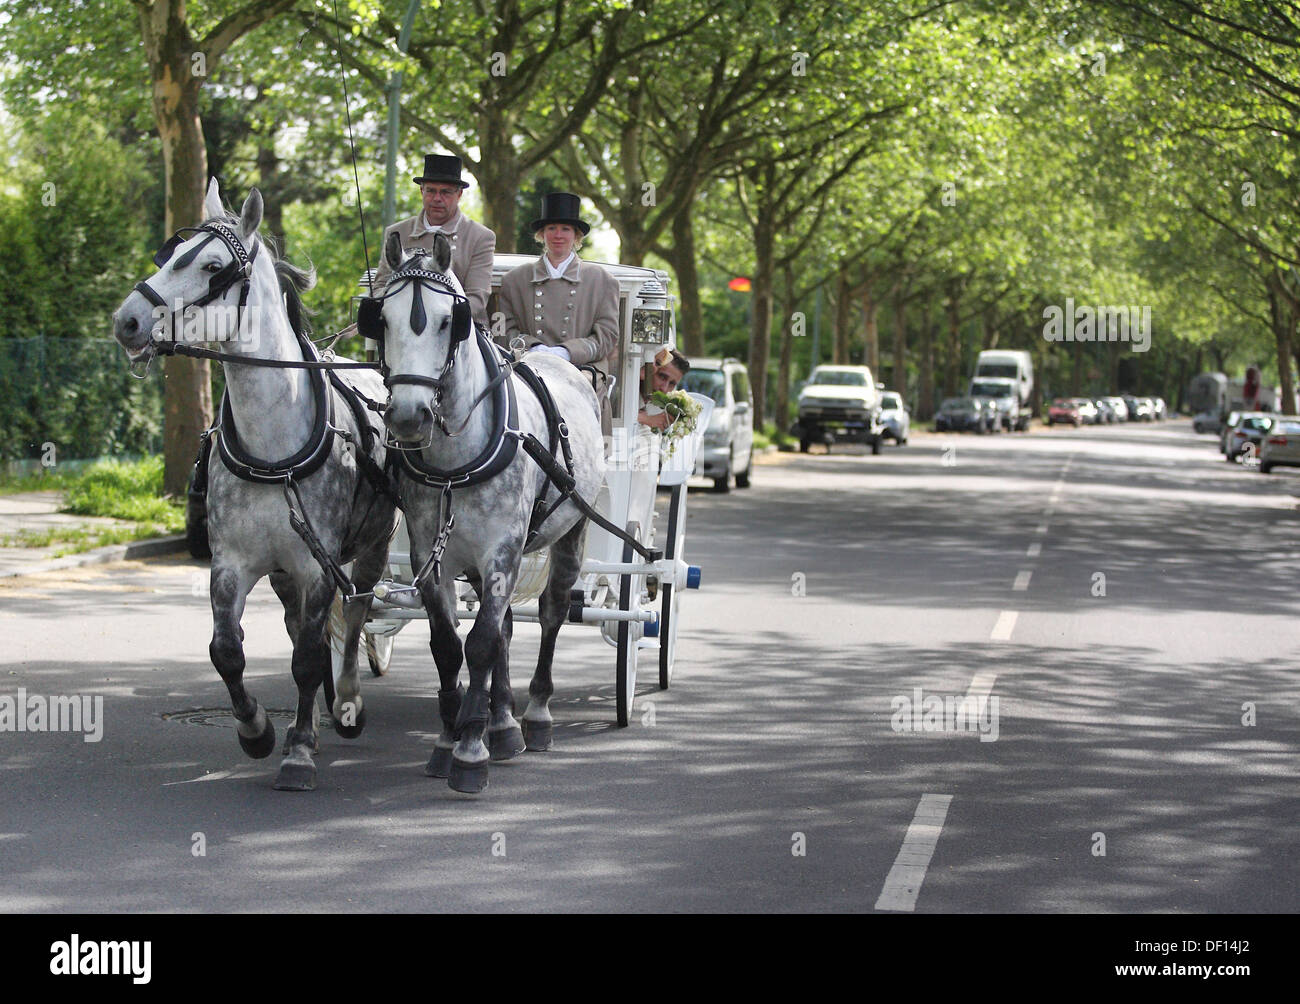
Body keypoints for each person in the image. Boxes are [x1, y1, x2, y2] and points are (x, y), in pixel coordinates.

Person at [498, 192, 619, 431]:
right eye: (551, 228)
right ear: (541, 234)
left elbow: (607, 337)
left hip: (582, 369)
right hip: (528, 365)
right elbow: (503, 330)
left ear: (576, 236)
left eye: (565, 229)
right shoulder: (515, 280)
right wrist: (535, 348)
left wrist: (565, 353)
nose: (558, 235)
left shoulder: (601, 280)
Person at [370, 153, 495, 330]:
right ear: (422, 191)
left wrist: (438, 318)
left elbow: (476, 299)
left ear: (459, 195)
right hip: (403, 329)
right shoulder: (397, 232)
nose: (437, 198)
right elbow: (380, 287)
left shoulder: (480, 237)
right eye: (431, 190)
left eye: (445, 192)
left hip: (461, 331)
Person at [637, 349, 690, 430]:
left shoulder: (660, 411)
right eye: (662, 377)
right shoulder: (624, 390)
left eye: (672, 383)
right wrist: (645, 419)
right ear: (651, 369)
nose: (664, 388)